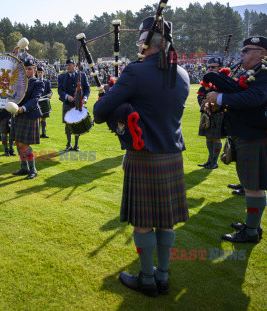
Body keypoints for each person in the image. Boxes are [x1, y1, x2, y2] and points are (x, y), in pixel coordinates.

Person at [93, 16, 190, 297]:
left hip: (144, 155)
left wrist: (115, 96)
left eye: (139, 42)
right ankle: (163, 275)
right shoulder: (182, 74)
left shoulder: (135, 73)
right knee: (166, 220)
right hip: (172, 154)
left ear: (147, 43)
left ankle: (147, 279)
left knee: (144, 222)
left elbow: (100, 113)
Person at [205, 36, 267, 243]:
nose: (241, 54)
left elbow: (253, 99)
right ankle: (252, 225)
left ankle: (251, 232)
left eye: (246, 50)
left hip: (257, 135)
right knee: (251, 184)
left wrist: (220, 98)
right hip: (247, 133)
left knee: (253, 186)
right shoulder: (254, 73)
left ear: (261, 53)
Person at [10, 58, 44, 180]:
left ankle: (33, 170)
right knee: (18, 143)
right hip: (18, 115)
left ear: (34, 70)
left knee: (24, 144)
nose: (27, 71)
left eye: (29, 69)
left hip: (29, 115)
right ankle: (24, 168)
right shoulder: (19, 82)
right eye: (25, 69)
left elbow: (34, 100)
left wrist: (22, 108)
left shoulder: (38, 83)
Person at [197, 57, 226, 169]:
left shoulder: (224, 82)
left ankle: (214, 162)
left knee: (215, 138)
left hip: (218, 113)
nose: (210, 69)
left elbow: (227, 97)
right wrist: (202, 103)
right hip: (206, 113)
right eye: (209, 67)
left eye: (213, 67)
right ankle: (209, 160)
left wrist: (216, 105)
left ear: (220, 68)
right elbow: (200, 95)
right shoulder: (206, 81)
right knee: (208, 137)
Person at [58, 58, 90, 151]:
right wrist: (67, 96)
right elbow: (60, 90)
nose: (68, 67)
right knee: (67, 124)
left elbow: (87, 89)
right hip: (67, 103)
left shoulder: (82, 76)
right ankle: (69, 144)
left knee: (78, 123)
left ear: (74, 65)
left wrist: (85, 98)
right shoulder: (61, 77)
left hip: (78, 103)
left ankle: (76, 145)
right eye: (67, 65)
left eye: (70, 65)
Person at [37, 65, 53, 138]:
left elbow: (50, 91)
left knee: (44, 117)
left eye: (41, 72)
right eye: (38, 72)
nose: (40, 73)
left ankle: (43, 133)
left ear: (43, 72)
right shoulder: (35, 81)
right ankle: (37, 133)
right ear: (37, 73)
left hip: (44, 101)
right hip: (36, 102)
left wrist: (50, 94)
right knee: (37, 118)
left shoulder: (47, 82)